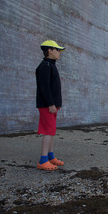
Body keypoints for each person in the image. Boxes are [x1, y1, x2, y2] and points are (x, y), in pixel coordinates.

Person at [36, 40, 66, 171]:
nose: (59, 53)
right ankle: (43, 160)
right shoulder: (45, 66)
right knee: (48, 131)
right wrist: (50, 104)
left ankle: (50, 156)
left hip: (52, 105)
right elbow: (44, 87)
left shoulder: (51, 65)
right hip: (47, 105)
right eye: (57, 50)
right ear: (49, 50)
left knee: (51, 131)